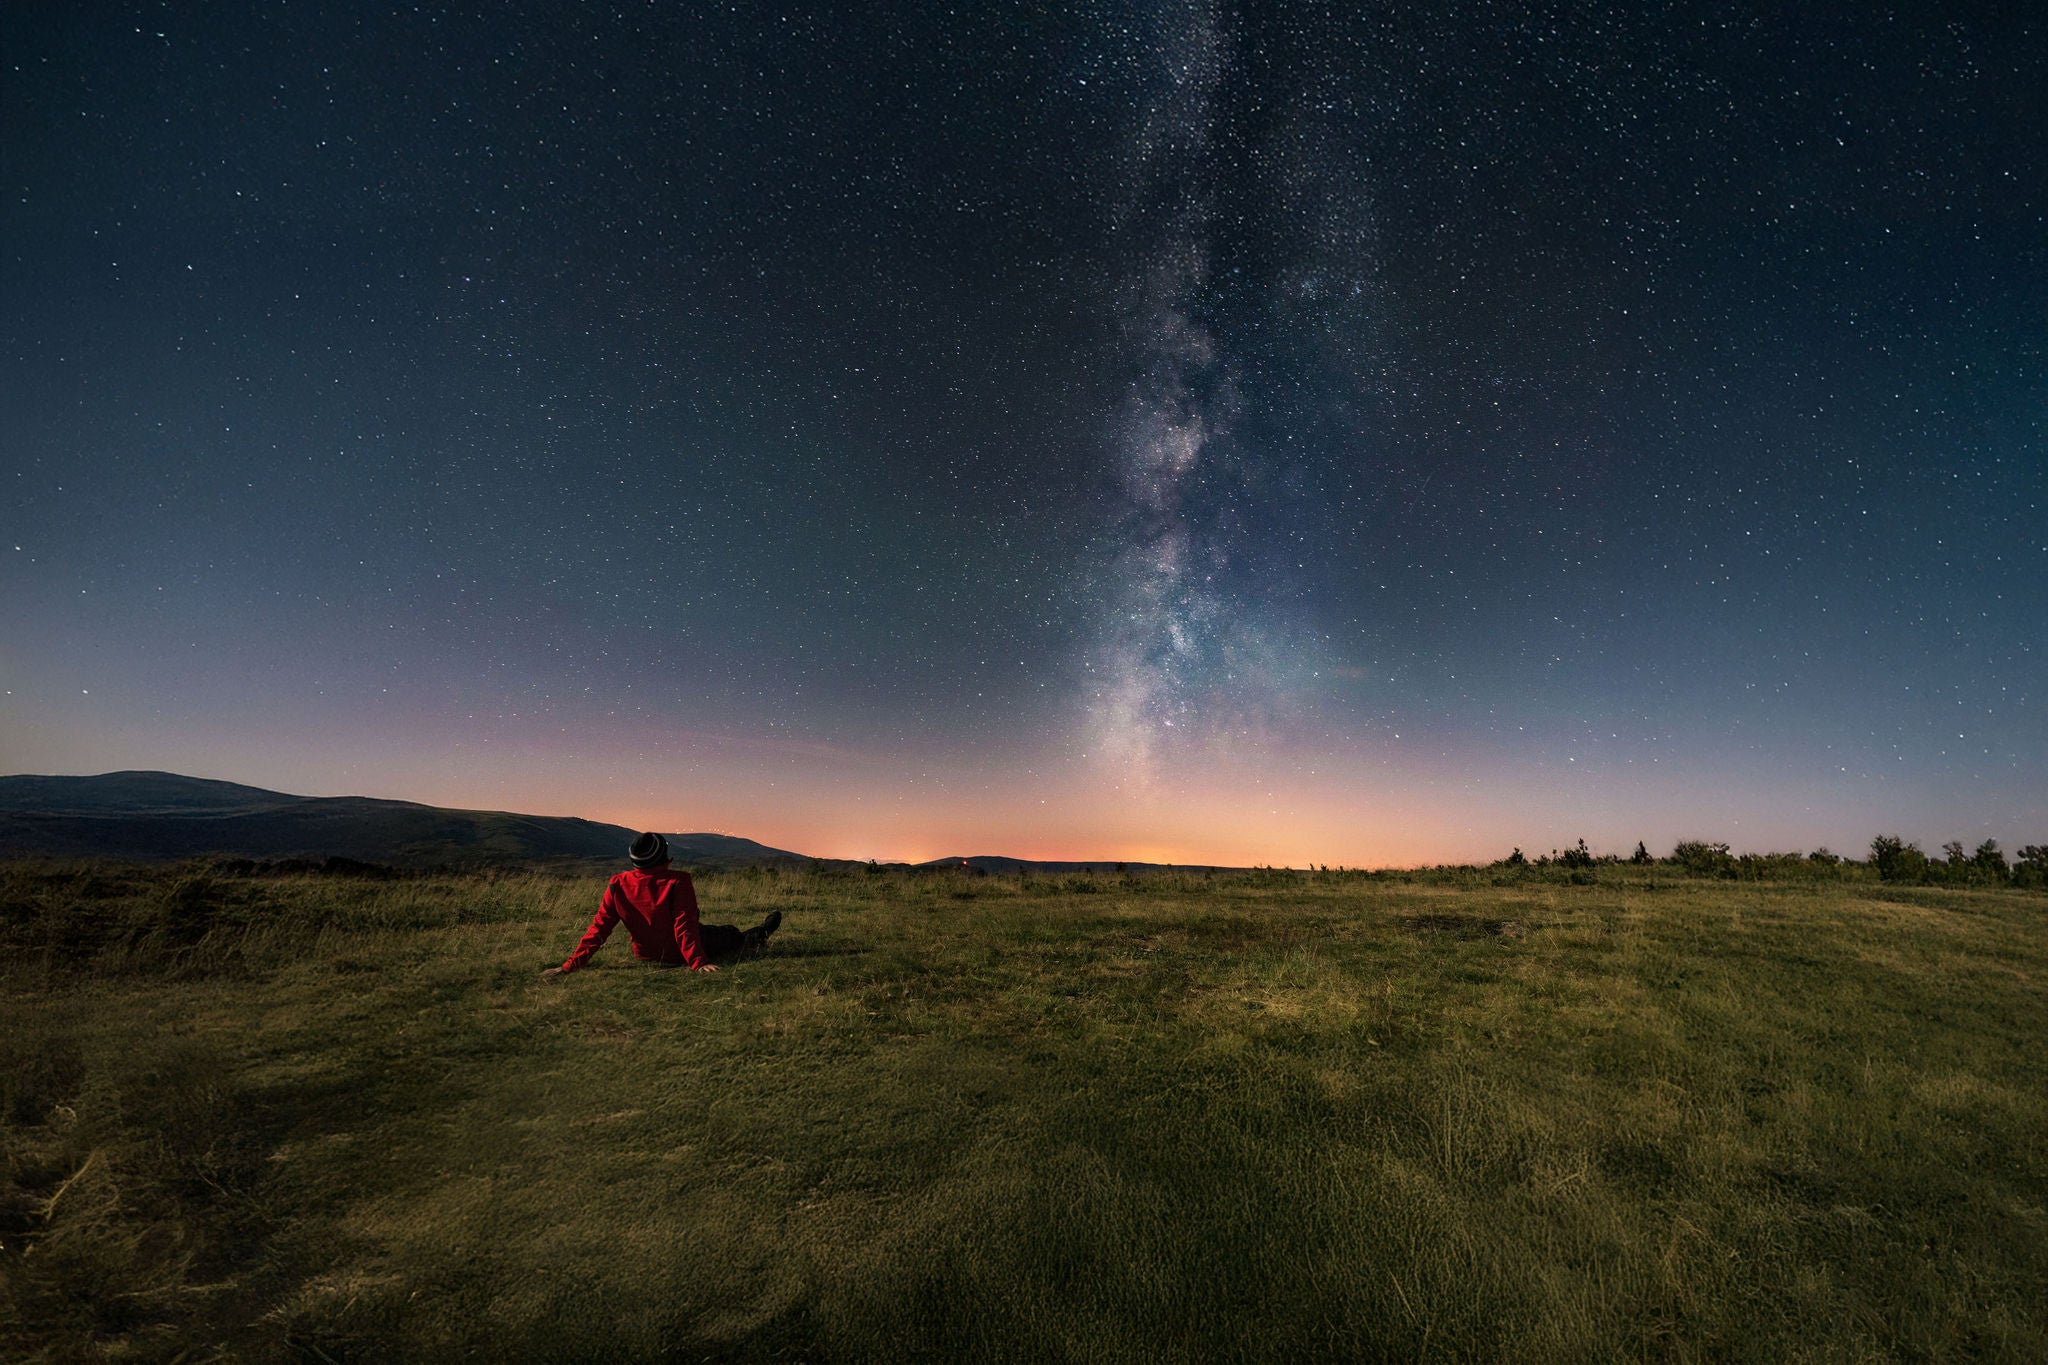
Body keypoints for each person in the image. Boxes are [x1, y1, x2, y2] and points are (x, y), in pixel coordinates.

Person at [542, 832, 781, 978]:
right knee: (730, 933)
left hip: (645, 956)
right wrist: (698, 962)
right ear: (664, 857)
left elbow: (599, 929)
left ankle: (757, 933)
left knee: (711, 930)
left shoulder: (618, 884)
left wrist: (570, 966)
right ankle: (762, 933)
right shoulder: (678, 881)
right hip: (681, 954)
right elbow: (684, 926)